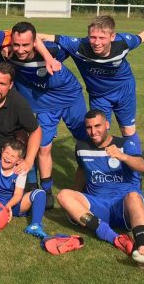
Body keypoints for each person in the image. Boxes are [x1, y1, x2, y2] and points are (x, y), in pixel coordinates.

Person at [43, 15, 144, 137]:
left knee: (128, 130)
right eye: (92, 37)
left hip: (124, 90)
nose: (97, 42)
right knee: (98, 132)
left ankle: (132, 157)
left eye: (102, 37)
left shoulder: (124, 42)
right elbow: (41, 37)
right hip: (99, 95)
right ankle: (103, 159)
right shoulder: (78, 46)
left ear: (112, 36)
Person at [6, 22, 87, 208]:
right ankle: (47, 190)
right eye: (16, 44)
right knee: (43, 147)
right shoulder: (7, 50)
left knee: (85, 143)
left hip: (70, 97)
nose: (20, 49)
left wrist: (49, 57)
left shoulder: (53, 50)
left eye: (25, 45)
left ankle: (89, 183)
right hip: (44, 104)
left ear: (35, 42)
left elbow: (77, 45)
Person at [56, 110, 144, 268]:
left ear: (107, 124)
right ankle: (114, 238)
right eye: (89, 127)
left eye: (98, 126)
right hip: (98, 207)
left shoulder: (125, 144)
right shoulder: (81, 147)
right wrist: (75, 196)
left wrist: (123, 157)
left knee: (133, 196)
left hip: (126, 207)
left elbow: (142, 166)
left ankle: (143, 248)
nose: (93, 132)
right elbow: (82, 170)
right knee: (63, 195)